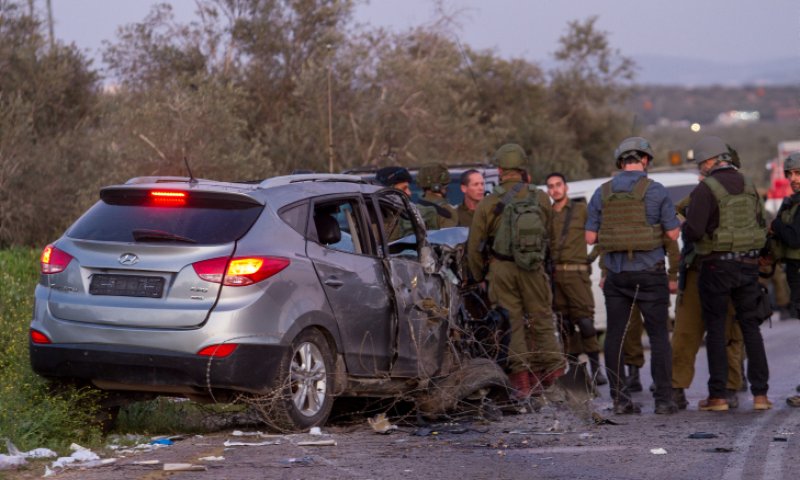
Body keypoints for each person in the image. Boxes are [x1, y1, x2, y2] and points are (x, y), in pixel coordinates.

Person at [585, 136, 680, 415]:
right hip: (650, 274)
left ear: (620, 162)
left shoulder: (601, 192)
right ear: (645, 160)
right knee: (660, 337)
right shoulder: (657, 190)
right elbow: (673, 233)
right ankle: (663, 400)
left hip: (616, 275)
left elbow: (591, 237)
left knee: (614, 335)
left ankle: (620, 399)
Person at [467, 144, 565, 400]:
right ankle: (555, 378)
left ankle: (522, 384)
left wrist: (478, 277)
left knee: (512, 326)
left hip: (502, 270)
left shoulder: (489, 202)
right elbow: (552, 237)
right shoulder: (541, 197)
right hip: (534, 269)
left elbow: (474, 246)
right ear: (523, 169)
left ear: (500, 170)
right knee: (542, 320)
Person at [683, 135, 771, 412]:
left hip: (716, 267)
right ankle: (761, 395)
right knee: (750, 328)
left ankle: (718, 396)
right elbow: (760, 223)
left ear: (710, 161)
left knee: (717, 330)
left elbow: (694, 231)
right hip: (747, 266)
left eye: (701, 164)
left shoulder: (705, 189)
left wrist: (686, 230)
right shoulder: (748, 184)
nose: (701, 169)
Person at [671, 192, 745, 409]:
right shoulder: (699, 194)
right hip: (696, 267)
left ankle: (729, 388)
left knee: (729, 331)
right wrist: (688, 224)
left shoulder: (742, 193)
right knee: (685, 331)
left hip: (727, 267)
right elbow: (674, 212)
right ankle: (676, 387)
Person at [545, 172, 607, 386]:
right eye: (551, 186)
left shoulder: (580, 210)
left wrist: (589, 258)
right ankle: (575, 372)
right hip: (556, 276)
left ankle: (596, 370)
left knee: (586, 323)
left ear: (566, 187)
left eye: (558, 185)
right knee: (564, 326)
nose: (555, 189)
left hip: (578, 274)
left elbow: (602, 235)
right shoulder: (547, 215)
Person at [767, 151, 800, 407]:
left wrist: (776, 227)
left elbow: (794, 238)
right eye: (790, 174)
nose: (794, 178)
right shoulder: (792, 203)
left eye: (798, 173)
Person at [415, 163, 458, 229]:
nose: (446, 188)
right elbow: (451, 236)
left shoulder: (414, 210)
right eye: (445, 185)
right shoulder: (446, 210)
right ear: (437, 187)